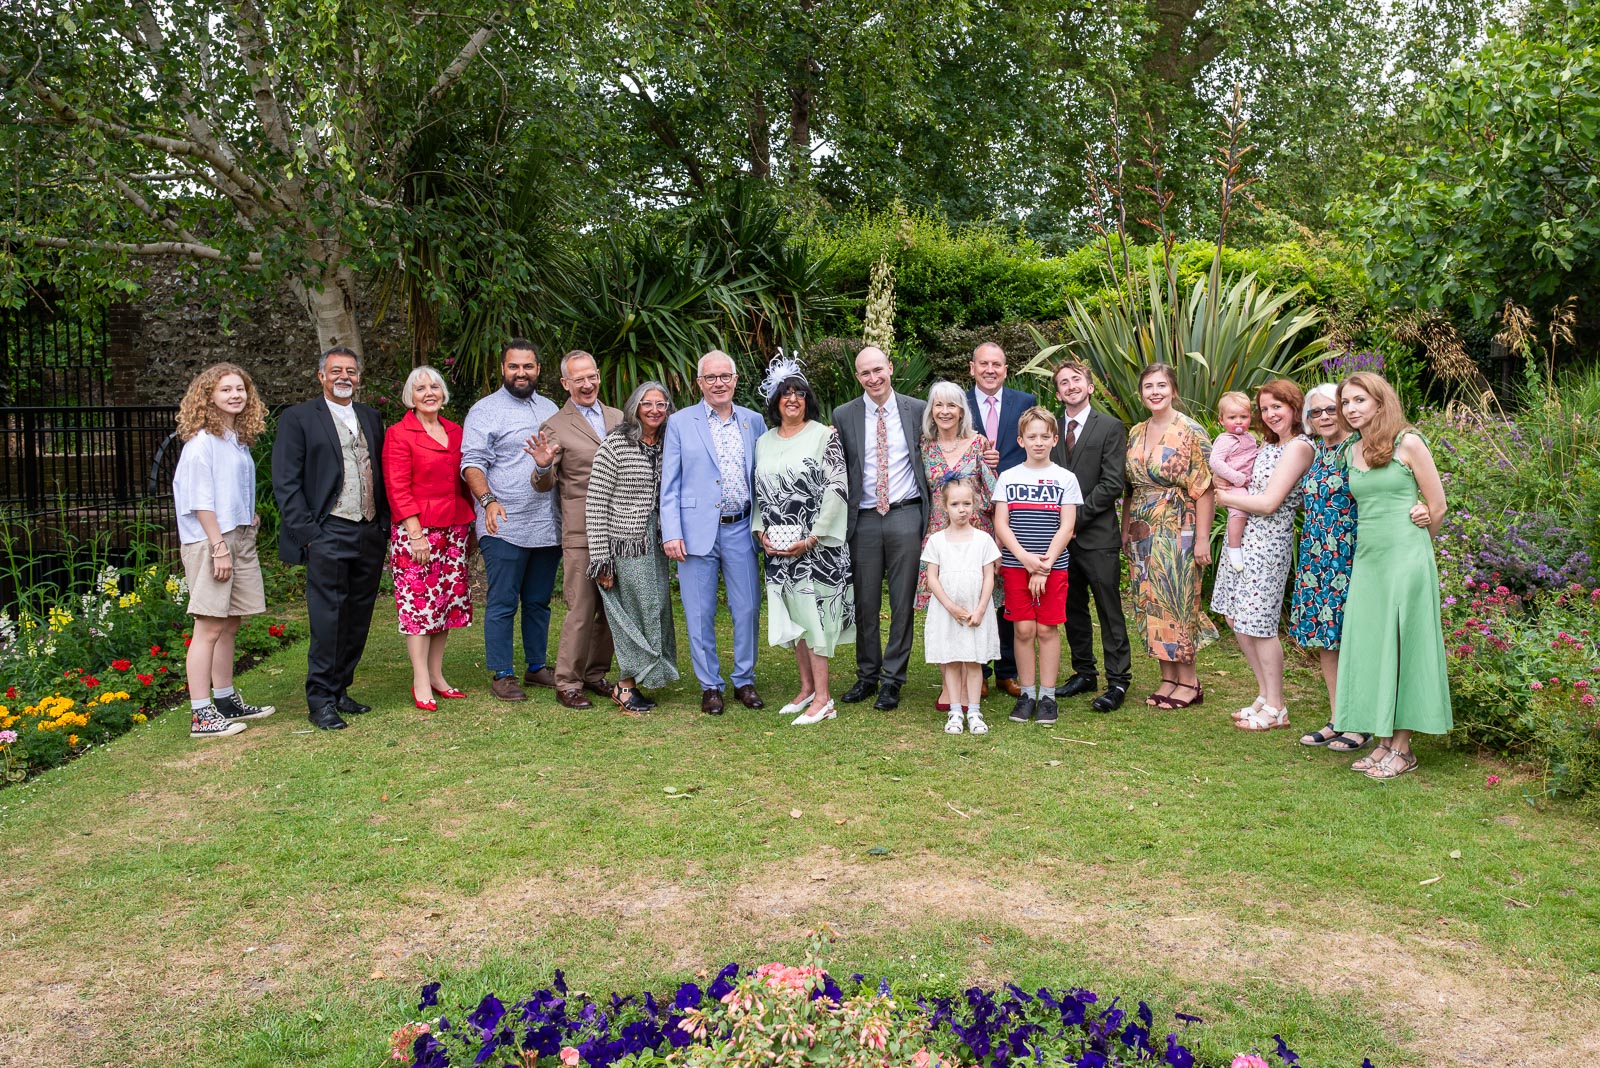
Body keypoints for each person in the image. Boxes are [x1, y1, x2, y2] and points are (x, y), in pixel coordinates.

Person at [1333, 371, 1452, 780]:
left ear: (1380, 403)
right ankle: (1383, 741)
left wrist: (1418, 540)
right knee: (1374, 646)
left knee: (1404, 646)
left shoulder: (1409, 442)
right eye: (1346, 402)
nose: (1350, 408)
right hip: (1368, 561)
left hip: (1406, 558)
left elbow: (1437, 506)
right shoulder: (1352, 450)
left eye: (1358, 400)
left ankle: (1403, 747)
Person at [272, 346, 388, 730]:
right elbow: (286, 482)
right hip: (328, 531)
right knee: (327, 618)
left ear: (359, 378)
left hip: (368, 530)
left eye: (351, 371)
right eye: (336, 370)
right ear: (320, 376)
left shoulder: (370, 417)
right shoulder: (299, 418)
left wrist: (383, 525)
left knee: (358, 616)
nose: (344, 377)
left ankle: (340, 689)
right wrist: (309, 535)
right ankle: (320, 699)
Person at [660, 350, 768, 715]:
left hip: (741, 528)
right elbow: (669, 483)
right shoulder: (679, 422)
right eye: (711, 378)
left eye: (725, 376)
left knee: (748, 607)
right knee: (699, 612)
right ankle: (710, 685)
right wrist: (671, 531)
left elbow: (765, 476)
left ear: (735, 380)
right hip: (694, 533)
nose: (719, 383)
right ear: (699, 383)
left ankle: (744, 679)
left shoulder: (753, 421)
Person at [751, 356, 854, 726]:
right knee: (794, 618)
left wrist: (813, 537)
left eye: (799, 393)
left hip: (816, 546)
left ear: (807, 399)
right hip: (778, 548)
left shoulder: (824, 435)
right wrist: (759, 530)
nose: (792, 398)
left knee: (816, 619)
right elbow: (759, 491)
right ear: (775, 401)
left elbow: (837, 487)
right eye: (785, 393)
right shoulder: (763, 441)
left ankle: (824, 699)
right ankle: (807, 687)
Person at [172, 362, 273, 739]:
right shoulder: (202, 443)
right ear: (207, 396)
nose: (235, 395)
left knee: (231, 621)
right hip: (212, 541)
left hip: (239, 535)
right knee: (209, 624)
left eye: (240, 389)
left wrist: (249, 517)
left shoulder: (236, 440)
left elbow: (230, 491)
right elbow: (199, 502)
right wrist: (218, 547)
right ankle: (201, 715)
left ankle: (225, 698)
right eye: (226, 389)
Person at [1209, 380, 1313, 731]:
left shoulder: (1299, 447)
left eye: (1277, 407)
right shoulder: (1267, 445)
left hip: (1268, 544)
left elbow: (1269, 503)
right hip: (1243, 540)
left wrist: (1226, 498)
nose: (1270, 414)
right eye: (1265, 408)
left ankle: (1278, 706)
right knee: (1235, 618)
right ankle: (1264, 693)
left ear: (1294, 407)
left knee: (1260, 625)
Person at [460, 340, 561, 702]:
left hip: (547, 525)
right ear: (502, 369)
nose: (522, 373)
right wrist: (487, 500)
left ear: (538, 369)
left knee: (538, 601)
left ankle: (536, 667)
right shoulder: (485, 411)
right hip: (503, 524)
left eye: (528, 367)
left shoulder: (549, 409)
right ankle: (502, 673)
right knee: (503, 601)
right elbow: (472, 462)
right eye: (514, 366)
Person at [833, 346, 932, 711]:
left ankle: (893, 679)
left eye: (878, 370)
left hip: (906, 513)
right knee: (865, 602)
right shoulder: (843, 415)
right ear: (857, 377)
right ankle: (867, 675)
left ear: (891, 368)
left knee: (902, 601)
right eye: (865, 373)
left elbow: (944, 447)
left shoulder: (918, 410)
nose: (873, 378)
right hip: (864, 519)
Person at [529, 351, 622, 710]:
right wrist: (540, 468)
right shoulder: (554, 425)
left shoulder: (617, 417)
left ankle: (595, 674)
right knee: (581, 609)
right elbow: (543, 484)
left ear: (598, 376)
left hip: (621, 530)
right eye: (578, 379)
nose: (587, 385)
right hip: (582, 531)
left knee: (613, 610)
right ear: (566, 384)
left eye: (591, 377)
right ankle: (567, 681)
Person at [1123, 362, 1216, 709]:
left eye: (1161, 385)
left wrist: (1203, 538)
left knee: (1177, 599)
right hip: (1141, 530)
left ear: (1173, 390)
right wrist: (1124, 530)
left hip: (1180, 526)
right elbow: (1130, 488)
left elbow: (1205, 489)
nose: (1155, 392)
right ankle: (1167, 677)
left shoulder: (1190, 430)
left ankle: (1189, 682)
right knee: (1149, 601)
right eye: (1148, 386)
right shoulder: (1136, 432)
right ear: (1141, 392)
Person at [382, 365, 475, 711]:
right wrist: (415, 533)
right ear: (411, 396)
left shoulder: (455, 431)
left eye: (434, 386)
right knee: (419, 608)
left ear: (443, 393)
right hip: (417, 531)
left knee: (445, 604)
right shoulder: (399, 433)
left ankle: (437, 674)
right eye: (420, 388)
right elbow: (397, 486)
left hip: (454, 528)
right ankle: (420, 678)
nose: (428, 393)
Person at [586, 381, 679, 713]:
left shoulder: (669, 443)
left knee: (656, 611)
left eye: (661, 404)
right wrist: (601, 560)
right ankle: (624, 687)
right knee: (633, 615)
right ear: (635, 407)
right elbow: (596, 504)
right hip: (625, 545)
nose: (654, 410)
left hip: (657, 544)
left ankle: (643, 677)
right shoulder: (615, 445)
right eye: (647, 403)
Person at [1049, 360, 1131, 713]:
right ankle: (1084, 671)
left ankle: (1118, 680)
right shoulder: (1049, 429)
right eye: (1064, 382)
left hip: (1096, 535)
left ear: (1090, 386)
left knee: (1108, 607)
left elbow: (1113, 483)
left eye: (1076, 380)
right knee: (1072, 607)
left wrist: (1073, 520)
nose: (1071, 386)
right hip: (1061, 541)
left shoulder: (1110, 427)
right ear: (1057, 392)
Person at [993, 406, 1081, 725]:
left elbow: (1067, 526)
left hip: (1053, 567)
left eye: (1045, 436)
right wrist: (1027, 560)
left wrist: (1043, 565)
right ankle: (1027, 693)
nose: (1039, 442)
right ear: (1021, 440)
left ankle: (1048, 696)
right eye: (1032, 437)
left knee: (1046, 628)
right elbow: (1002, 525)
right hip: (1018, 566)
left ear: (1055, 439)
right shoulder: (1008, 478)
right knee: (1024, 628)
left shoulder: (1065, 479)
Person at [918, 379, 999, 713]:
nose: (945, 411)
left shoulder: (979, 444)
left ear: (962, 410)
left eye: (952, 405)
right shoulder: (923, 446)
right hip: (939, 537)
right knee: (944, 607)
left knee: (974, 603)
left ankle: (975, 681)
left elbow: (993, 492)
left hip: (974, 534)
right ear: (931, 411)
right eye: (939, 405)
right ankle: (949, 686)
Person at [964, 341, 1039, 696]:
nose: (990, 370)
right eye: (983, 364)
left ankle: (1007, 669)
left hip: (1013, 510)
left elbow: (1033, 449)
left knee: (1009, 588)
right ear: (972, 368)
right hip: (970, 508)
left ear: (1006, 369)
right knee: (974, 588)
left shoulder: (1024, 403)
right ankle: (976, 667)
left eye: (997, 364)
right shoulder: (957, 403)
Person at [920, 477, 1000, 736]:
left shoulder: (983, 540)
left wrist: (980, 609)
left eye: (967, 503)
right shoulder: (937, 541)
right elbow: (932, 577)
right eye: (955, 504)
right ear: (945, 507)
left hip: (975, 610)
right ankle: (955, 710)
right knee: (952, 659)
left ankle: (974, 710)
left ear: (975, 504)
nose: (962, 509)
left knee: (974, 661)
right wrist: (951, 607)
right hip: (948, 612)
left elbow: (989, 576)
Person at [1210, 391, 1260, 573]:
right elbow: (1215, 462)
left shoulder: (1250, 438)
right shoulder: (1225, 440)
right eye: (1232, 417)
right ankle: (1234, 548)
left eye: (1243, 416)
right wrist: (1236, 478)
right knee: (1239, 511)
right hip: (1234, 484)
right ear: (1221, 420)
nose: (1238, 421)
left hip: (1248, 483)